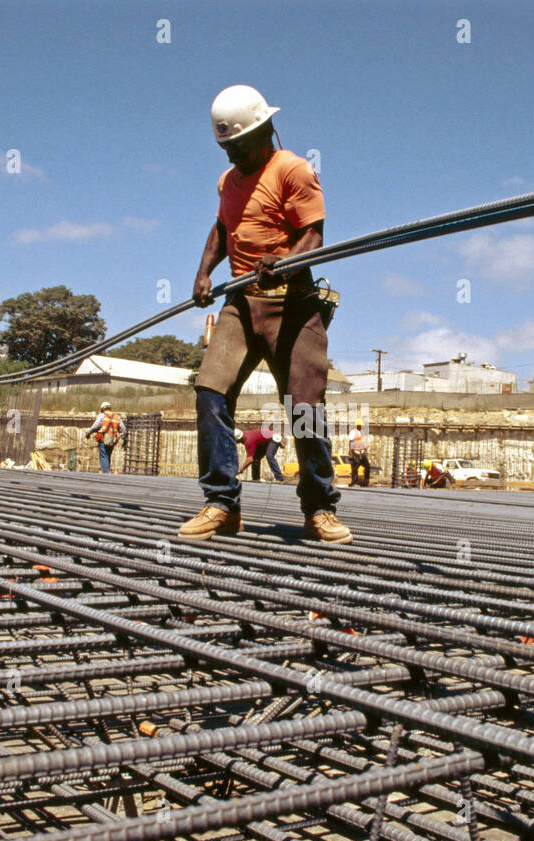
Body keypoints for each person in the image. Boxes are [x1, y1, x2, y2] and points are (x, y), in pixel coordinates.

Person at [177, 84, 350, 543]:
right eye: (225, 147)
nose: (231, 155)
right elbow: (222, 228)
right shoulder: (228, 182)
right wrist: (202, 273)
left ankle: (319, 508)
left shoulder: (292, 169)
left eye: (237, 145)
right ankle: (221, 503)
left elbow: (314, 234)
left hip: (293, 303)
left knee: (304, 409)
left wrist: (287, 260)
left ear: (265, 130)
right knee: (211, 390)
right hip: (241, 301)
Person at [83, 402, 124, 473]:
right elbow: (124, 430)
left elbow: (95, 426)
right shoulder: (116, 417)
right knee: (108, 455)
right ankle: (107, 472)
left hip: (102, 438)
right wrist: (118, 436)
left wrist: (88, 433)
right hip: (112, 439)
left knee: (104, 456)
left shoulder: (102, 416)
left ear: (102, 409)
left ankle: (106, 473)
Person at [348, 418, 370, 487]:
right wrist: (351, 453)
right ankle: (354, 482)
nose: (361, 427)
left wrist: (365, 451)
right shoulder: (353, 432)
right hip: (355, 453)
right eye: (360, 426)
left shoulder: (361, 433)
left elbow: (362, 443)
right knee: (355, 468)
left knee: (367, 465)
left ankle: (366, 479)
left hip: (361, 452)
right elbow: (351, 442)